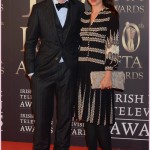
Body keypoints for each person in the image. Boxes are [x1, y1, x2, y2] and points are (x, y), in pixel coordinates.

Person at [24, 0, 84, 149]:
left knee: (65, 119)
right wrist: (31, 72)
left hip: (68, 71)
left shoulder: (79, 7)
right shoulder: (39, 9)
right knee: (41, 120)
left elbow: (82, 37)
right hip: (43, 72)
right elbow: (30, 42)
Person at [75, 0, 119, 150]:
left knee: (100, 121)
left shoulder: (111, 15)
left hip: (100, 72)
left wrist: (108, 74)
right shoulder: (83, 16)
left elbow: (112, 45)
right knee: (88, 120)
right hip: (81, 73)